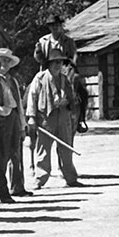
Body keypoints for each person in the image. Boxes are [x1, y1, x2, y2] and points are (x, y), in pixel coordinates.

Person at [26, 50, 80, 188]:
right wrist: (31, 117)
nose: (58, 65)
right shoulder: (40, 78)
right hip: (46, 118)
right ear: (49, 64)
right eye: (55, 62)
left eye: (60, 62)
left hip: (63, 116)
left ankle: (71, 178)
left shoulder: (64, 79)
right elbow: (32, 98)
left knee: (66, 148)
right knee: (43, 149)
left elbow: (72, 97)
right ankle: (40, 179)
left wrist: (71, 109)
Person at [0, 49, 24, 203]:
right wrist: (1, 111)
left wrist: (22, 124)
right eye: (3, 60)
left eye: (8, 61)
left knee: (15, 152)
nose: (6, 64)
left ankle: (18, 186)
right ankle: (1, 189)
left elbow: (19, 103)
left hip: (13, 116)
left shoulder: (11, 80)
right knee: (1, 154)